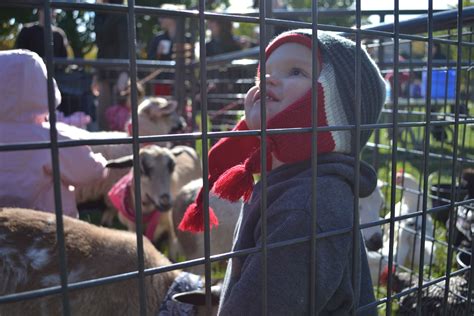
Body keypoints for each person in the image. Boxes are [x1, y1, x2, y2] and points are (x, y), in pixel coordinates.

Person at [178, 29, 386, 314]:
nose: (268, 79)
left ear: (334, 108)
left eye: (296, 71)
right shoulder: (292, 181)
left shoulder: (307, 208)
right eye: (265, 72)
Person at [0, 50, 108, 218]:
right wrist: (100, 164)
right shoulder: (47, 136)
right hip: (45, 229)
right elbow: (86, 171)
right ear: (41, 89)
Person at [92, 0, 129, 130]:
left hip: (119, 71)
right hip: (103, 71)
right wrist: (96, 74)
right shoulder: (99, 13)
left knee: (118, 116)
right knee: (102, 113)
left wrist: (125, 72)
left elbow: (127, 44)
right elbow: (100, 47)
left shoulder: (121, 12)